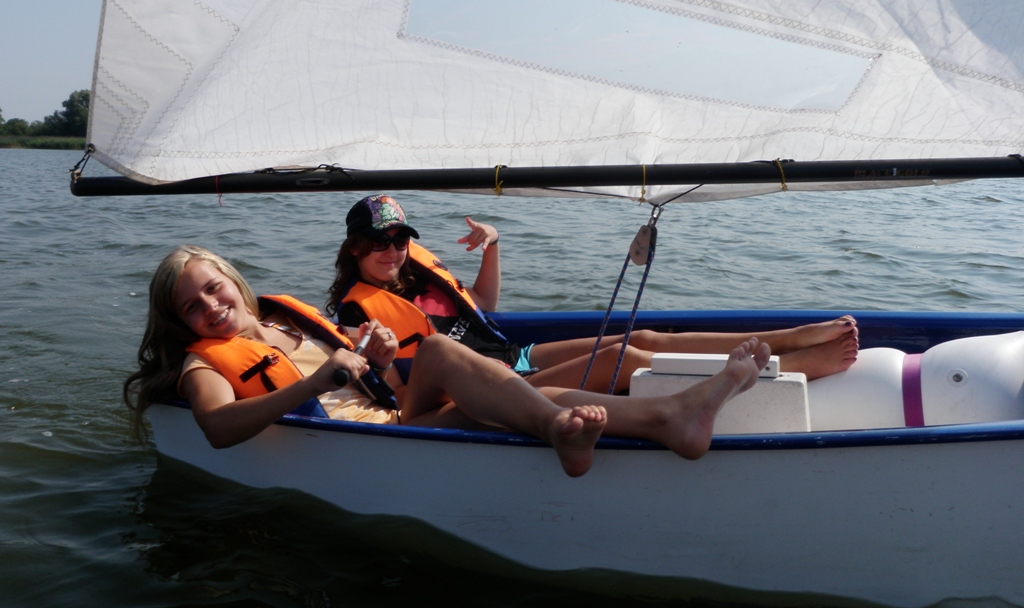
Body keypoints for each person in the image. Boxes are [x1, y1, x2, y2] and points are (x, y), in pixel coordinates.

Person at [124, 245, 772, 478]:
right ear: (180, 322)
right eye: (192, 306)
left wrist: (376, 358)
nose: (211, 307)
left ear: (234, 282)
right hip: (366, 442)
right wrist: (316, 380)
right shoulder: (202, 367)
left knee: (438, 350)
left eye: (215, 289)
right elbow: (217, 428)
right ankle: (665, 417)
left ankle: (663, 418)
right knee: (517, 405)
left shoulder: (283, 322)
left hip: (394, 415)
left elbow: (376, 381)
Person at [328, 195, 859, 392]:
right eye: (379, 242)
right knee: (622, 358)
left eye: (400, 240)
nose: (392, 250)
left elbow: (483, 308)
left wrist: (494, 242)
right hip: (495, 385)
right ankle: (789, 370)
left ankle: (788, 337)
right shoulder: (357, 311)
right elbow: (394, 387)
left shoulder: (414, 277)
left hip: (515, 356)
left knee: (642, 336)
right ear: (355, 248)